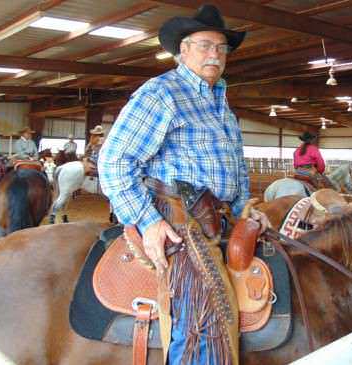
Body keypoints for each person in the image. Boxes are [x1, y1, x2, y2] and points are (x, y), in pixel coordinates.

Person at [98, 5, 269, 365]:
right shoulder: (162, 94)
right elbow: (114, 160)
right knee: (204, 313)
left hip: (217, 215)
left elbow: (236, 170)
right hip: (178, 220)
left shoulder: (222, 104)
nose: (215, 54)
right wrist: (148, 221)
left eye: (222, 48)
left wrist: (243, 214)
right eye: (205, 45)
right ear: (183, 50)